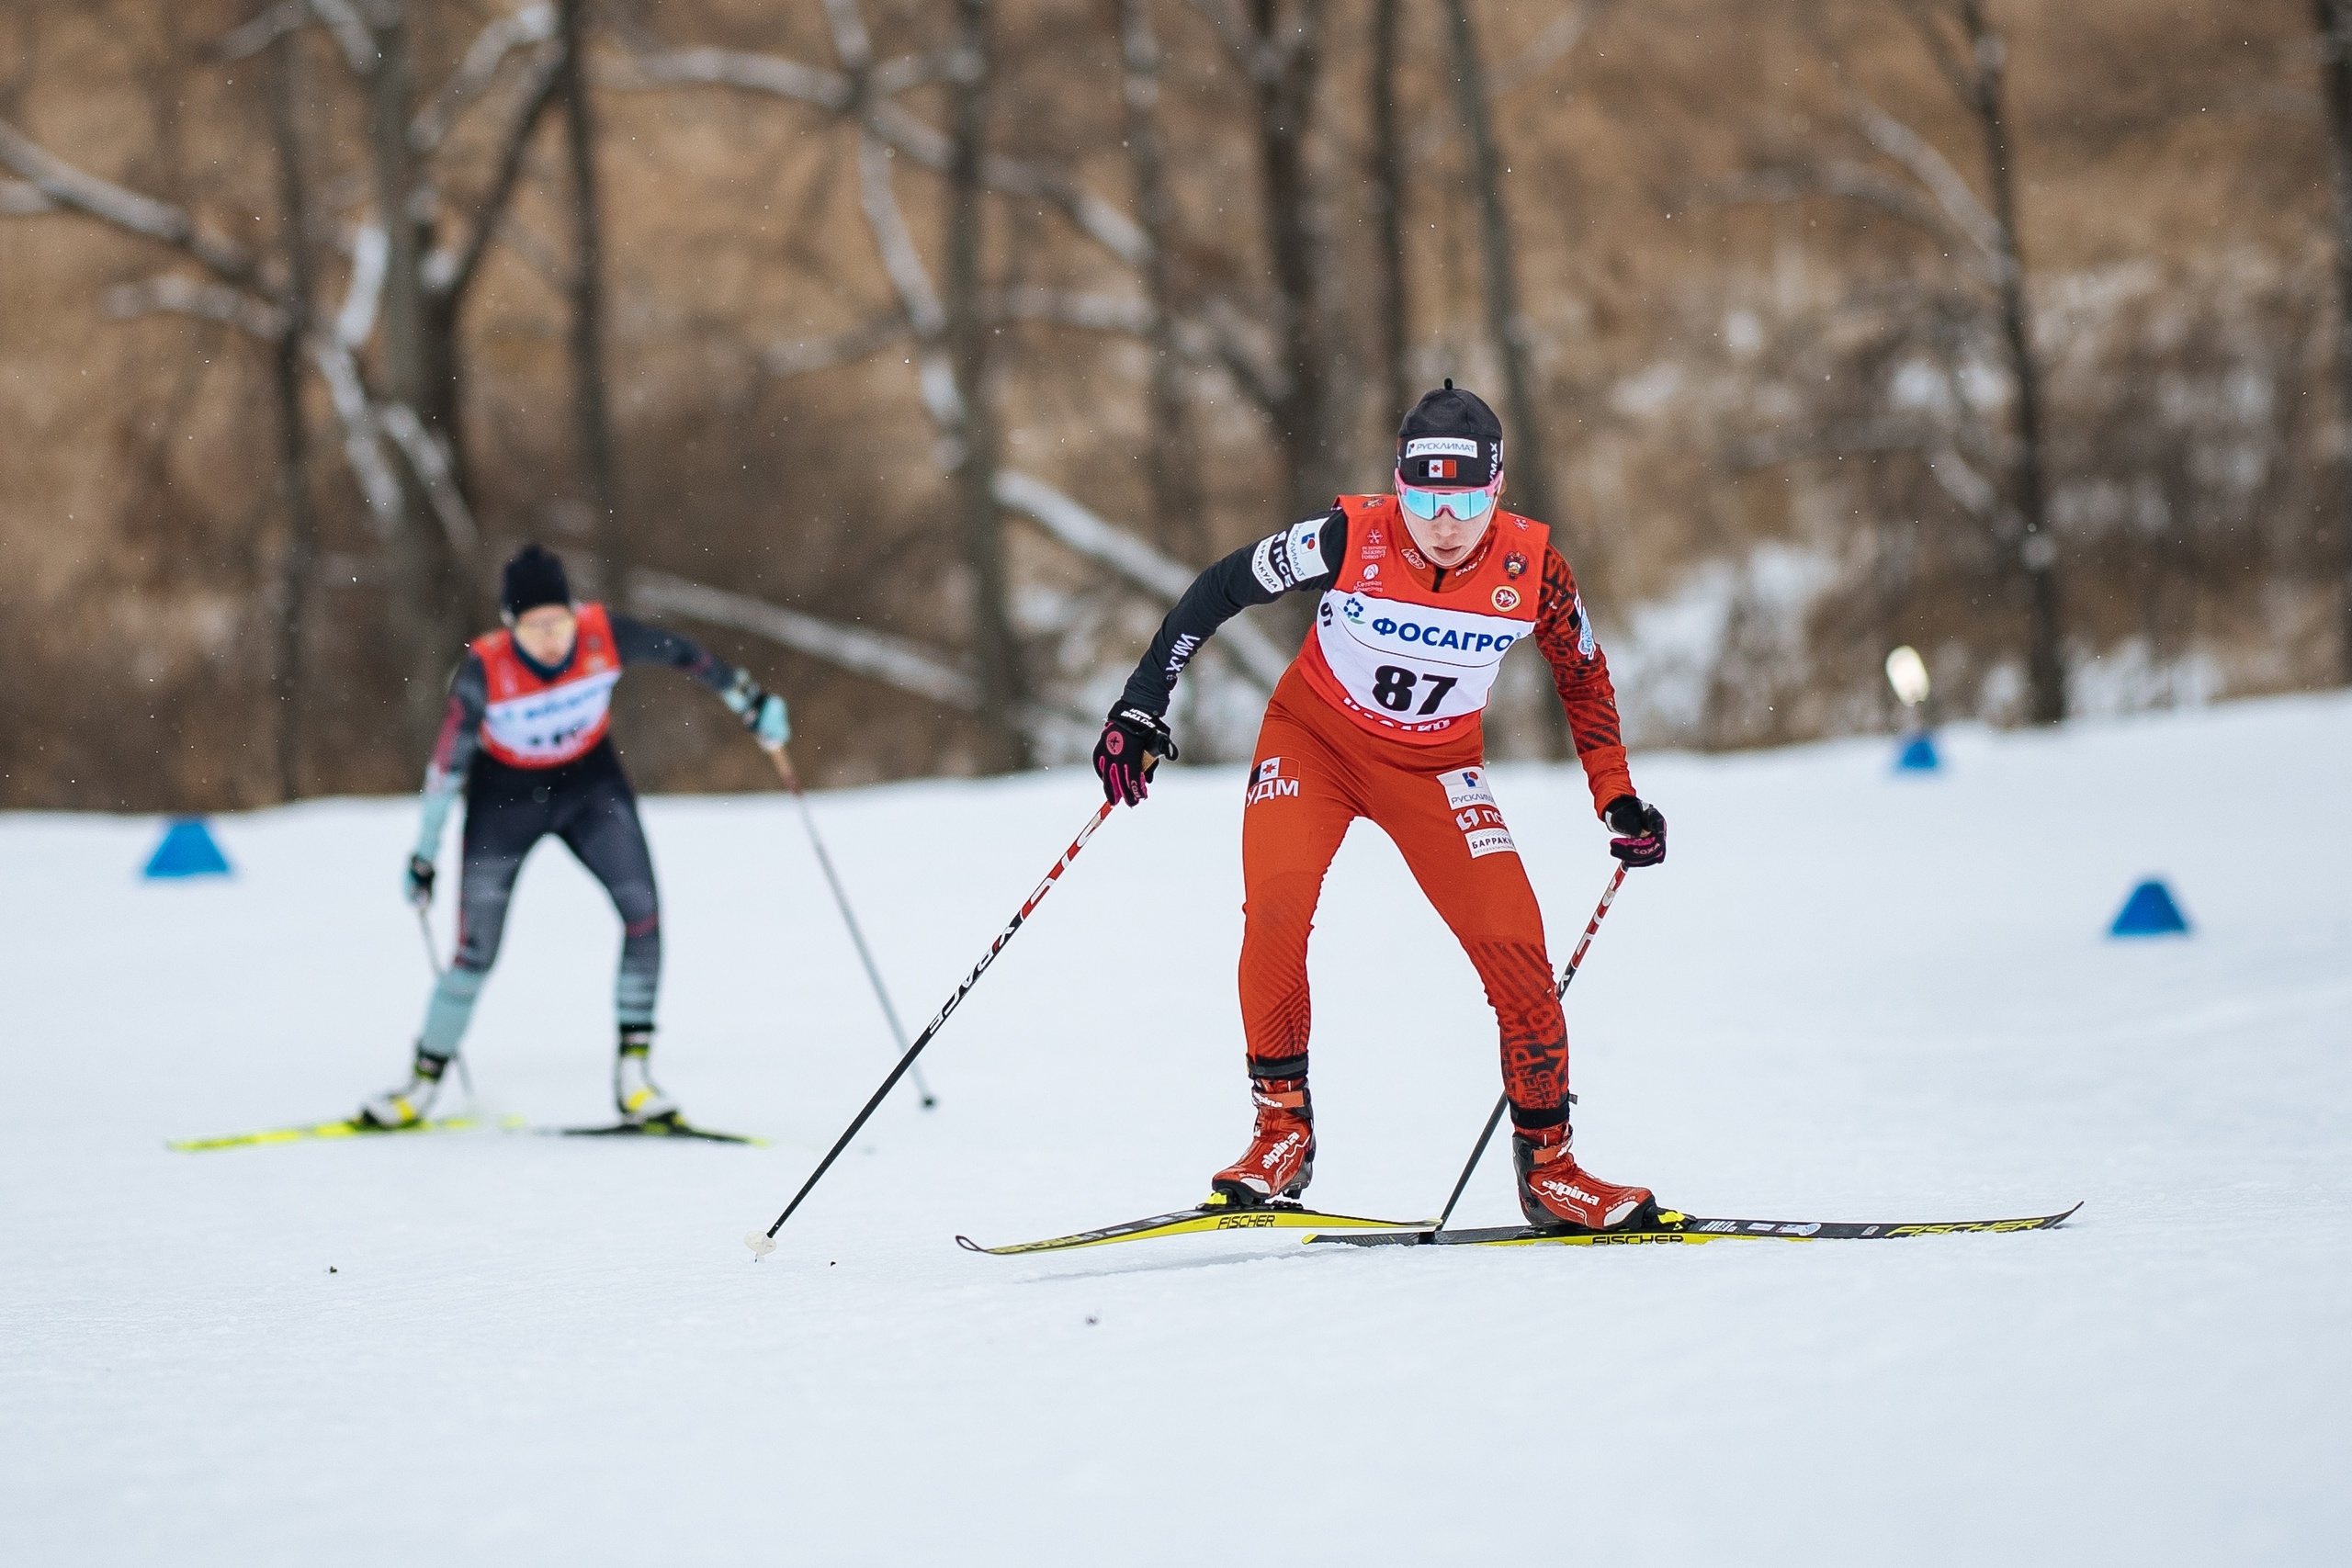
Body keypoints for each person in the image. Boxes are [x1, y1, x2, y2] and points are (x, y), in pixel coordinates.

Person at [1092, 383, 1670, 1232]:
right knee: (1278, 905)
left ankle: (1550, 1167)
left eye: (1467, 497)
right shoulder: (1346, 538)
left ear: (1498, 488)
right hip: (1313, 742)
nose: (1445, 520)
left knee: (1514, 940)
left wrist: (1614, 793)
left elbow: (1582, 673)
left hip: (1437, 766)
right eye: (1426, 497)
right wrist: (1143, 703)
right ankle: (1281, 1129)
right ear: (1398, 486)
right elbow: (1219, 588)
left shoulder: (1534, 567)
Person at [359, 544, 790, 1129]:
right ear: (510, 625)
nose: (550, 638)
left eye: (558, 620)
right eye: (534, 627)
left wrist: (750, 700)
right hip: (504, 798)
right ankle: (421, 1083)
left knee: (643, 915)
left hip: (589, 786)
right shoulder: (485, 669)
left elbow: (689, 657)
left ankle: (635, 1078)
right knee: (474, 953)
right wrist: (425, 854)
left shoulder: (601, 634)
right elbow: (445, 769)